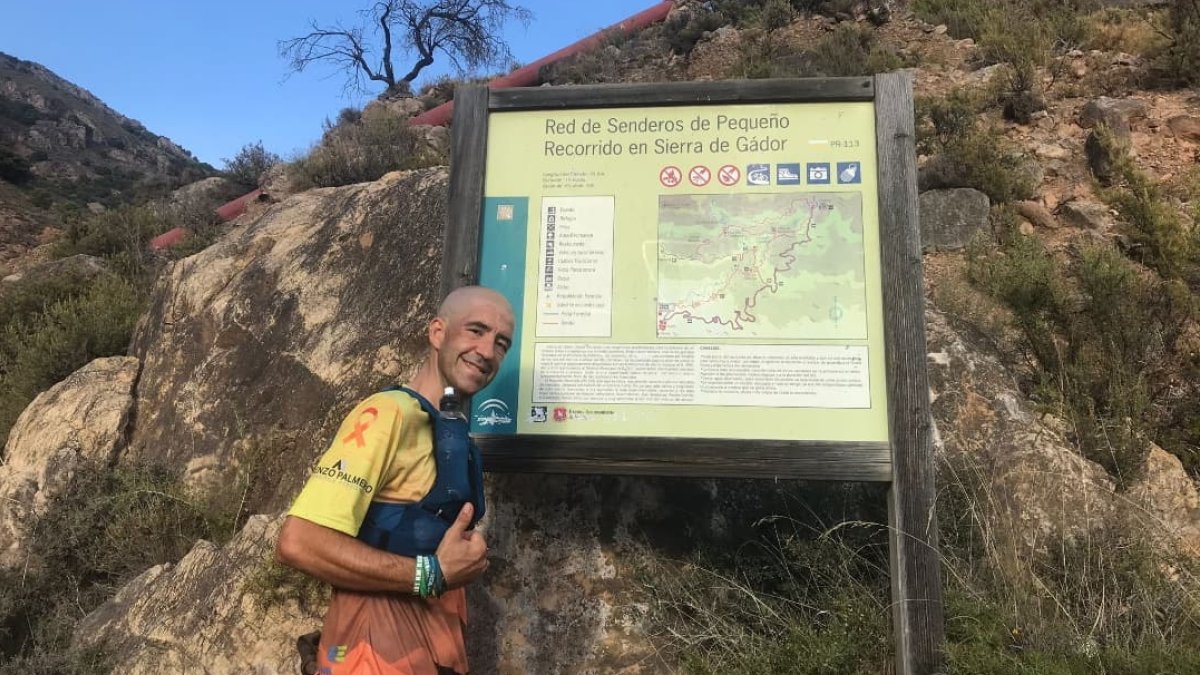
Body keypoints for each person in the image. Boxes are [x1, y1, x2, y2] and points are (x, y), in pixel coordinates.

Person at [276, 285, 515, 675]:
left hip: (427, 653)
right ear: (437, 332)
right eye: (476, 330)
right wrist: (431, 573)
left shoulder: (447, 430)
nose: (488, 351)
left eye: (501, 343)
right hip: (372, 654)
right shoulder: (386, 414)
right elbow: (299, 541)